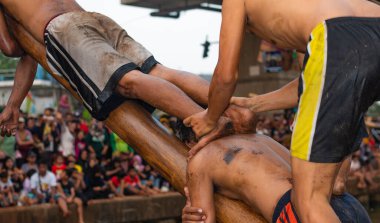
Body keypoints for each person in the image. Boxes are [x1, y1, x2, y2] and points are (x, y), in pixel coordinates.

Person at [184, 1, 380, 223]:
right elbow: (312, 82)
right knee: (332, 186)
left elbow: (225, 76)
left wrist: (210, 117)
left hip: (338, 39)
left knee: (307, 198)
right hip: (370, 29)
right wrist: (255, 104)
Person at [0, 0, 253, 141]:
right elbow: (30, 56)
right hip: (95, 18)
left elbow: (13, 48)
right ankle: (233, 111)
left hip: (62, 28)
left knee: (128, 82)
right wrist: (13, 105)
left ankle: (210, 122)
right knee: (157, 72)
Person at [175, 122, 380, 223]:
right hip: (348, 207)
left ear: (188, 143)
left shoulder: (199, 161)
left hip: (302, 214)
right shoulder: (260, 138)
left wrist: (202, 213)